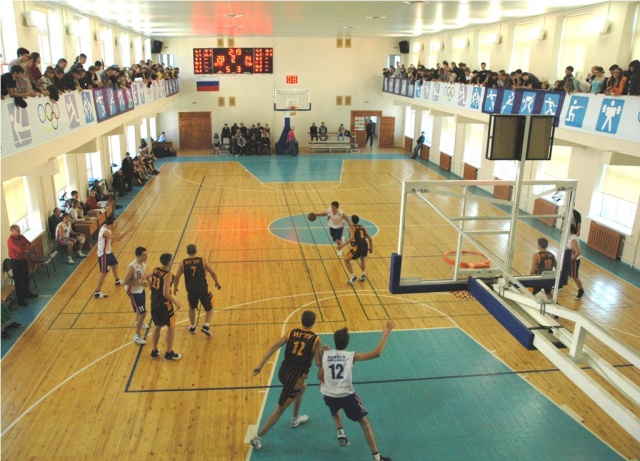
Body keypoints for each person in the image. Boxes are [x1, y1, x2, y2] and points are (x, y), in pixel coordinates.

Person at [319, 321, 395, 461]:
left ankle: (341, 433)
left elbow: (320, 376)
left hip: (329, 394)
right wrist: (386, 334)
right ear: (347, 343)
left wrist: (324, 357)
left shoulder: (326, 355)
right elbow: (377, 353)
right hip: (346, 396)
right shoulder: (351, 356)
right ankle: (377, 458)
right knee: (365, 423)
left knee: (334, 406)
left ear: (335, 341)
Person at [250, 310, 322, 450]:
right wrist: (323, 353)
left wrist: (260, 365)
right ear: (314, 323)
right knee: (279, 409)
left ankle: (295, 418)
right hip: (294, 379)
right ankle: (257, 438)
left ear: (301, 320)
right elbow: (319, 364)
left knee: (303, 387)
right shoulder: (315, 340)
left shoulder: (291, 332)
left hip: (283, 372)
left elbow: (274, 347)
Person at [173, 244, 222, 338]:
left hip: (191, 290)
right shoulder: (202, 260)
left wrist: (175, 287)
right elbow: (213, 273)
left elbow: (176, 278)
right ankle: (206, 326)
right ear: (196, 251)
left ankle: (192, 327)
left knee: (191, 308)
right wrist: (217, 282)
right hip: (203, 289)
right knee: (210, 308)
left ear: (187, 252)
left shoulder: (183, 263)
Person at [149, 253, 182, 360]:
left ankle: (154, 351)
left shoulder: (156, 270)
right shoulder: (168, 275)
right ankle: (169, 353)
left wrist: (150, 285)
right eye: (172, 260)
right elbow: (165, 294)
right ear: (169, 262)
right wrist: (176, 302)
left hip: (154, 302)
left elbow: (144, 276)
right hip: (164, 305)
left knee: (157, 326)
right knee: (171, 327)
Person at [94, 217, 133, 299]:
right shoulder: (105, 232)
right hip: (103, 254)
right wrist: (128, 230)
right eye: (114, 222)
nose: (116, 224)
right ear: (110, 224)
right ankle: (97, 292)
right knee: (104, 273)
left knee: (115, 264)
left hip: (108, 252)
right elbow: (117, 239)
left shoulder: (106, 226)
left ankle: (117, 280)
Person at [124, 246, 152, 345]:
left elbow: (143, 274)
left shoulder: (143, 263)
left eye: (146, 254)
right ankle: (137, 335)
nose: (146, 256)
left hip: (140, 289)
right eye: (144, 255)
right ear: (139, 256)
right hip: (133, 291)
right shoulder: (132, 267)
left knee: (141, 309)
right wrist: (140, 283)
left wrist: (149, 282)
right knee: (143, 313)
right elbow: (125, 281)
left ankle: (138, 321)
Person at [6, 225, 38, 307]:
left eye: (19, 229)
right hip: (16, 262)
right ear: (12, 231)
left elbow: (30, 244)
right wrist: (26, 248)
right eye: (17, 230)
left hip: (24, 260)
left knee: (26, 277)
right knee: (19, 281)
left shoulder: (21, 237)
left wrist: (26, 248)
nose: (19, 231)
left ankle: (27, 293)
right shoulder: (11, 240)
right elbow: (19, 250)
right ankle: (21, 300)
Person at [339, 215, 373, 285]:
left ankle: (353, 276)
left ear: (352, 221)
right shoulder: (362, 227)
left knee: (346, 260)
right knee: (362, 258)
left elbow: (351, 238)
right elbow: (370, 239)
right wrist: (371, 248)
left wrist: (343, 245)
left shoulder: (352, 227)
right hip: (365, 246)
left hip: (357, 247)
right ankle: (363, 274)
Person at [566, 225, 585, 300]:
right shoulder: (569, 237)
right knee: (562, 271)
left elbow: (578, 252)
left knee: (574, 276)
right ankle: (559, 285)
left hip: (574, 261)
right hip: (568, 259)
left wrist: (571, 260)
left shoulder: (573, 240)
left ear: (570, 230)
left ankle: (581, 290)